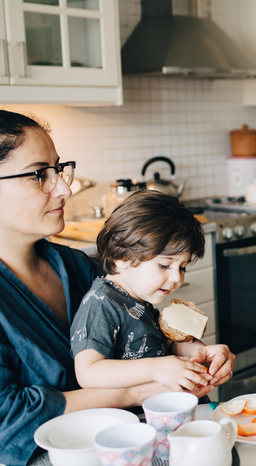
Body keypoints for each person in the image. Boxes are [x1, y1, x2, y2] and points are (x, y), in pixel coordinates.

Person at [0, 110, 233, 466]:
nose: (64, 187)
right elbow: (9, 420)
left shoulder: (76, 266)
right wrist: (147, 387)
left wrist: (193, 355)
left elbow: (140, 334)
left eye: (59, 169)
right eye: (39, 175)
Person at [70, 189, 234, 394]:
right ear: (122, 258)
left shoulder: (139, 300)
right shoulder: (101, 303)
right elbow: (88, 372)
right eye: (164, 265)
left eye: (182, 267)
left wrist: (201, 353)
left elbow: (167, 345)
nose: (177, 278)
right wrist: (157, 369)